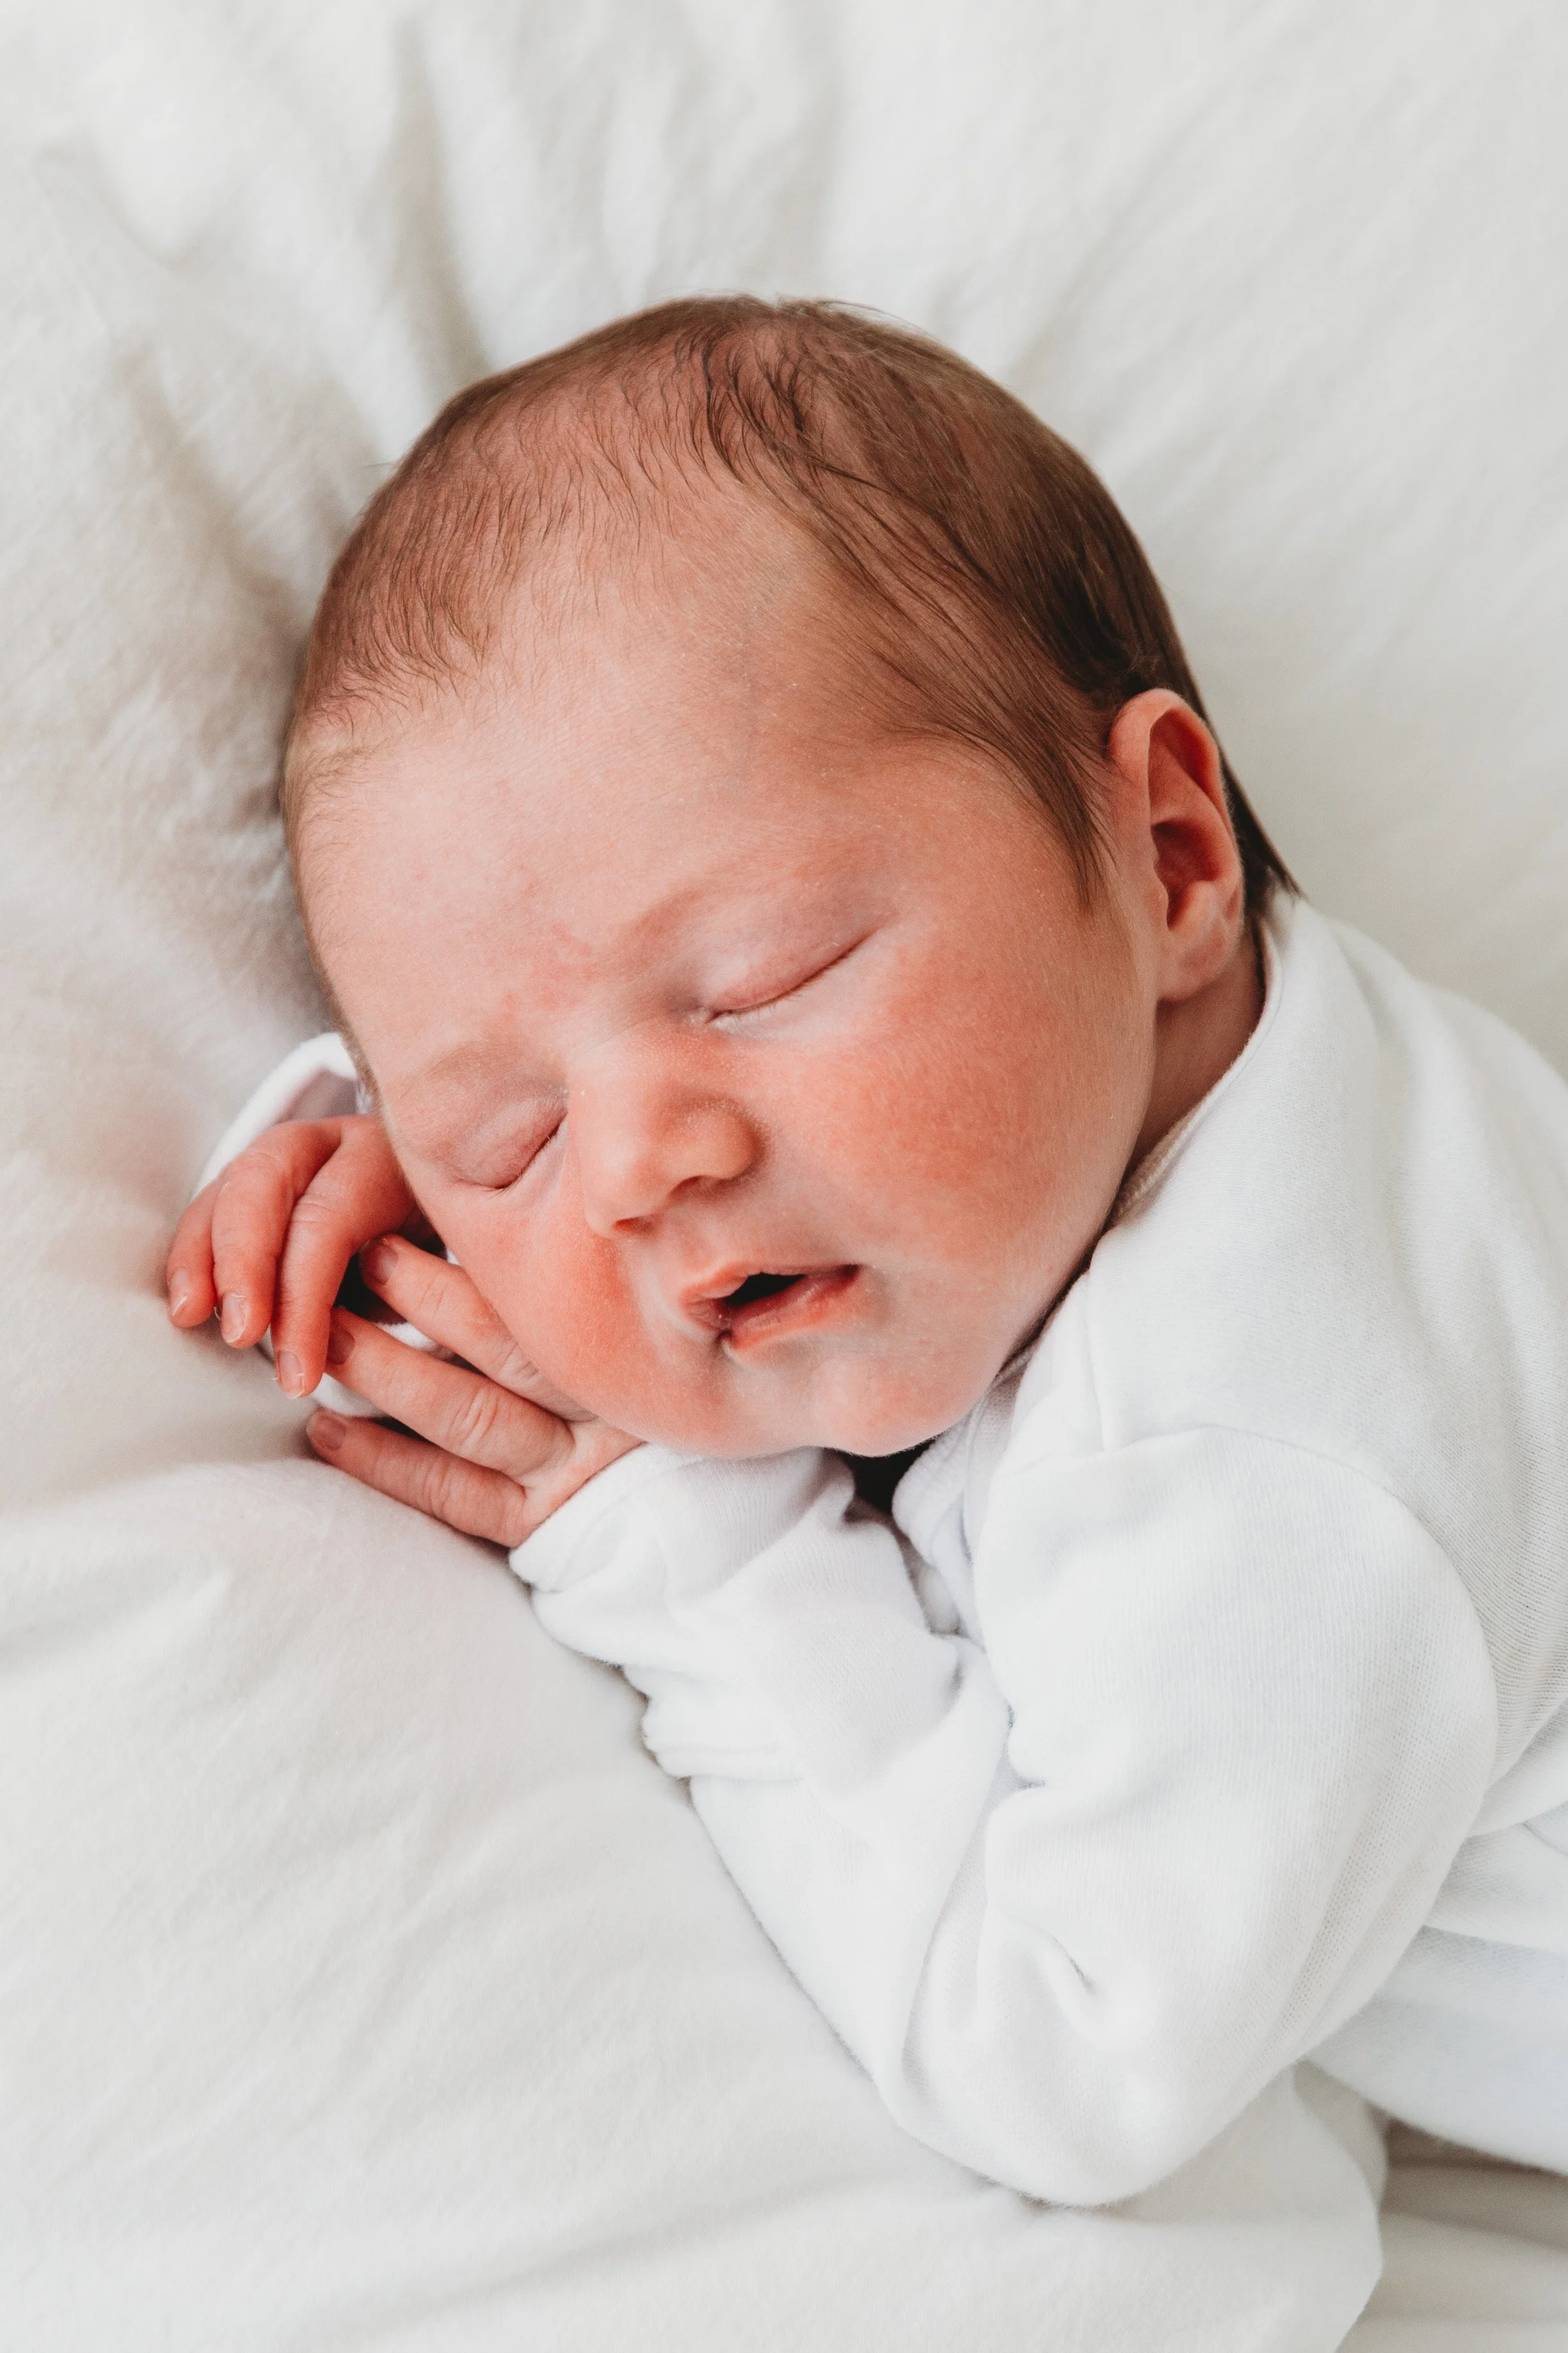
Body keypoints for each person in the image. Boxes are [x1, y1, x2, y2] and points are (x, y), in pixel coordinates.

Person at [166, 298, 1568, 2205]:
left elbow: (1068, 2061)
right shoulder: (1216, 1075)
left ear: (1167, 854)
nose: (643, 1166)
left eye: (765, 981)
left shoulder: (1274, 1456)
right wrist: (420, 1178)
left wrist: (692, 1556)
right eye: (513, 1129)